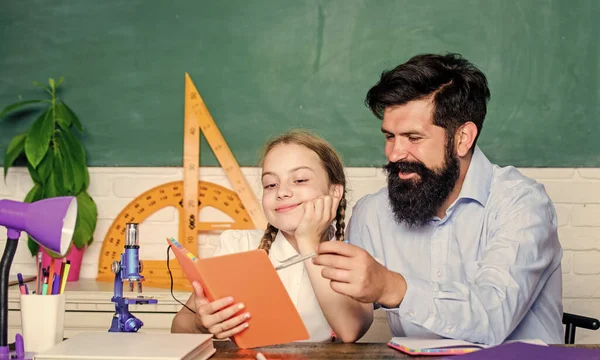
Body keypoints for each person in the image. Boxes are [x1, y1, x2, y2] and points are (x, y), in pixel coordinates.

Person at [313, 53, 563, 345]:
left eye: (413, 138)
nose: (394, 154)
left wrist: (393, 287)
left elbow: (494, 316)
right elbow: (351, 323)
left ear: (463, 138)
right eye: (390, 136)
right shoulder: (373, 212)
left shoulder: (522, 204)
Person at [171, 130, 373, 342]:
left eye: (300, 180)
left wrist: (308, 241)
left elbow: (350, 330)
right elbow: (179, 325)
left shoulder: (354, 256)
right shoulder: (238, 246)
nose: (282, 192)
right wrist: (199, 325)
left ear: (334, 193)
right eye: (271, 184)